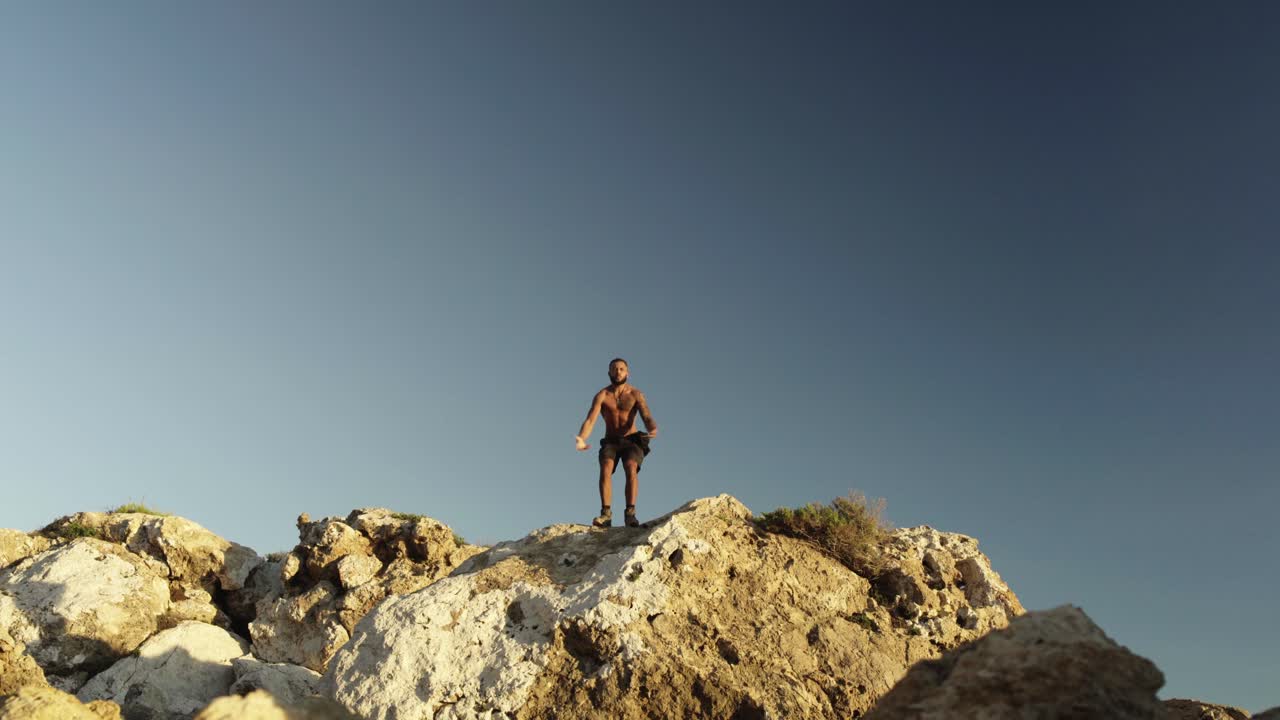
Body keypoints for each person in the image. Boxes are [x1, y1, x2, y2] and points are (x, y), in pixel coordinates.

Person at [574, 358, 658, 527]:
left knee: (631, 467)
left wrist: (652, 428)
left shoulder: (635, 394)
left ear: (627, 373)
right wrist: (582, 438)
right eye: (614, 369)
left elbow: (646, 415)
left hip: (632, 440)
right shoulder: (602, 395)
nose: (618, 372)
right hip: (611, 441)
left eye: (621, 369)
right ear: (609, 373)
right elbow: (591, 420)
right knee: (605, 467)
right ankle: (605, 515)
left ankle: (630, 514)